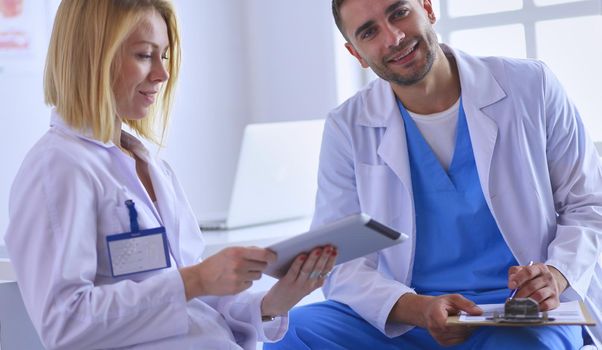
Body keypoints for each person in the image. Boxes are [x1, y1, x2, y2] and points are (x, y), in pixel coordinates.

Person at [265, 0, 602, 349]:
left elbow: (589, 202)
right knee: (292, 332)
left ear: (427, 7)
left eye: (399, 13)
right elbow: (340, 261)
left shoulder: (530, 85)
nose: (394, 38)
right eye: (369, 32)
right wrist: (414, 308)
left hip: (519, 312)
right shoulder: (347, 126)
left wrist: (557, 275)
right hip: (409, 315)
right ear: (357, 53)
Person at [4, 1, 337, 349]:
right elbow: (65, 325)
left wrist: (274, 302)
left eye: (163, 56)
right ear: (93, 57)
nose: (162, 74)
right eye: (145, 55)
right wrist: (194, 280)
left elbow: (197, 303)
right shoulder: (57, 168)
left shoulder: (151, 164)